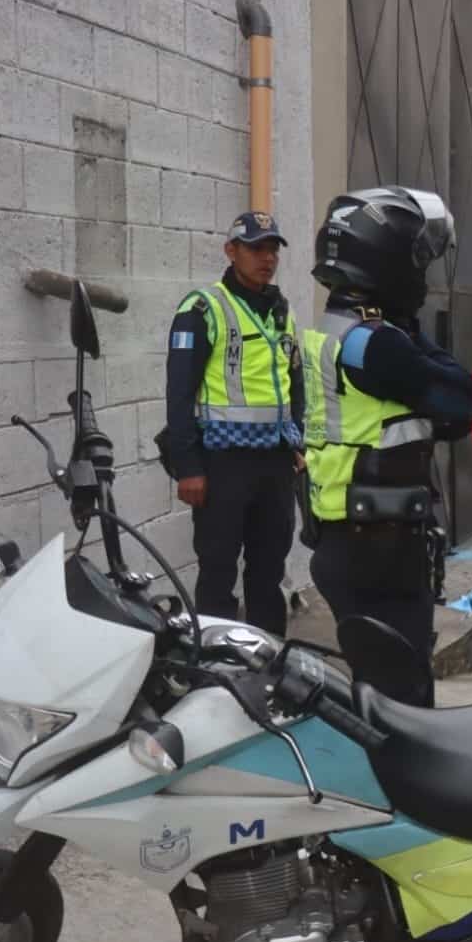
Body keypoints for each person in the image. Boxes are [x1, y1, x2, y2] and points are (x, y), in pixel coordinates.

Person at [301, 186, 472, 685]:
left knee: (374, 689)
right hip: (378, 551)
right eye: (416, 263)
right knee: (403, 699)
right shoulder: (378, 348)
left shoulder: (329, 334)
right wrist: (410, 330)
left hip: (345, 540)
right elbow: (461, 400)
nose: (420, 275)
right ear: (388, 263)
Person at [165, 212, 303, 636]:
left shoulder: (281, 310)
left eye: (272, 249)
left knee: (269, 571)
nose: (267, 258)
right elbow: (179, 392)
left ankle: (268, 665)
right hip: (223, 463)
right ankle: (216, 667)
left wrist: (299, 440)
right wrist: (188, 466)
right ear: (232, 251)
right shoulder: (202, 308)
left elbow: (295, 380)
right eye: (256, 248)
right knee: (218, 570)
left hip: (275, 464)